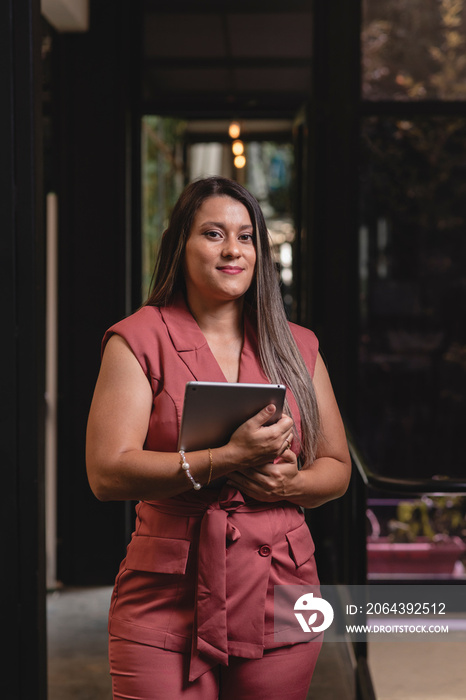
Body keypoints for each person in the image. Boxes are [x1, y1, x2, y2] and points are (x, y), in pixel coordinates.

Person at [86, 176, 351, 700]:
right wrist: (226, 457)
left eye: (246, 236)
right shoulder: (138, 339)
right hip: (167, 589)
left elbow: (337, 468)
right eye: (212, 234)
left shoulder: (298, 345)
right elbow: (106, 472)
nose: (233, 250)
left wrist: (287, 486)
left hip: (280, 585)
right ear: (180, 246)